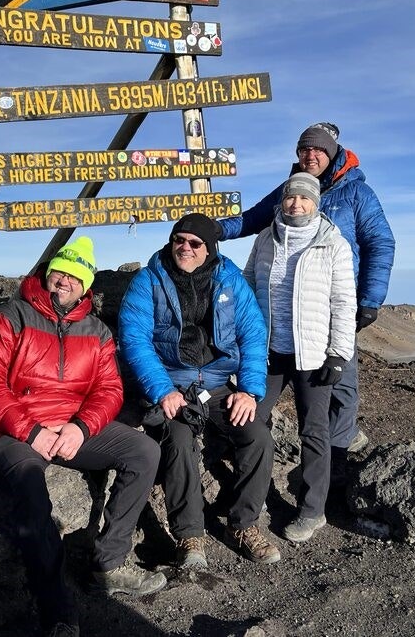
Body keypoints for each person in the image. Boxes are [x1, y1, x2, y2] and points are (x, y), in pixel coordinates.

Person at [0, 237, 166, 637]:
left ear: (86, 285)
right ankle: (57, 609)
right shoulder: (9, 317)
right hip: (16, 431)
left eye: (75, 277)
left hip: (73, 428)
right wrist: (30, 430)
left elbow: (109, 390)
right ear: (47, 272)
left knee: (143, 451)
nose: (64, 282)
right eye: (60, 272)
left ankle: (106, 566)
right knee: (31, 492)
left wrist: (82, 427)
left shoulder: (98, 332)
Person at [219, 122, 394, 470]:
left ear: (331, 153)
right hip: (285, 310)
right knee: (288, 382)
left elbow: (380, 242)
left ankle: (336, 461)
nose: (310, 155)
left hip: (332, 305)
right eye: (304, 150)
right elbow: (252, 219)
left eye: (317, 150)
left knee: (340, 383)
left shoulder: (357, 193)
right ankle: (273, 455)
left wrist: (371, 300)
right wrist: (214, 229)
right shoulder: (290, 189)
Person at [118, 214, 280, 569]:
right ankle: (190, 534)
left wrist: (250, 390)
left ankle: (243, 525)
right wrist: (162, 389)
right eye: (179, 239)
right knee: (178, 441)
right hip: (173, 383)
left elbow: (253, 334)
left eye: (194, 243)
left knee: (258, 438)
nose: (185, 248)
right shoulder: (149, 280)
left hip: (220, 384)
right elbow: (135, 340)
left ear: (209, 249)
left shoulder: (230, 279)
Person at [243, 173, 356, 542]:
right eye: (291, 197)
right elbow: (247, 286)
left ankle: (312, 510)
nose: (297, 204)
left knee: (314, 431)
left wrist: (338, 354)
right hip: (270, 352)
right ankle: (251, 497)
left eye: (305, 198)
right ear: (283, 200)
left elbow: (343, 302)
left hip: (313, 354)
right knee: (250, 421)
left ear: (316, 203)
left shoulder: (332, 244)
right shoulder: (265, 239)